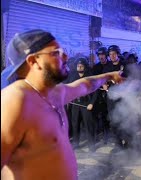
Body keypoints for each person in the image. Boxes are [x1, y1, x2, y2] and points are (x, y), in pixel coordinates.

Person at [1, 29, 122, 179]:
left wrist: (110, 76)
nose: (66, 56)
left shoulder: (55, 92)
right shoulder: (14, 102)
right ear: (33, 61)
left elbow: (86, 85)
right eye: (56, 52)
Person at [68, 58, 97, 152]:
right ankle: (76, 144)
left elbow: (96, 92)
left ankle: (91, 145)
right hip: (75, 104)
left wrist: (91, 103)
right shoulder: (73, 77)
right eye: (78, 66)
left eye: (81, 66)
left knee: (88, 125)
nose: (79, 67)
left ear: (85, 67)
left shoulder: (90, 78)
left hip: (86, 104)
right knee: (75, 124)